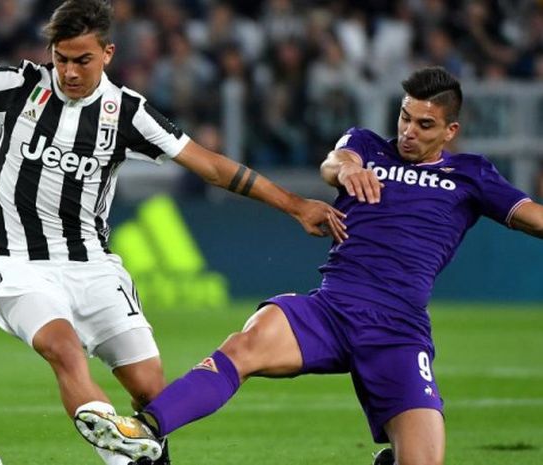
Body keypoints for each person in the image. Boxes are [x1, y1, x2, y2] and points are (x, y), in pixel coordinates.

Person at [0, 1, 346, 465]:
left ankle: (136, 451)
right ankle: (117, 451)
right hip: (19, 266)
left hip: (94, 268)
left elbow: (211, 166)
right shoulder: (17, 84)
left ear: (108, 53)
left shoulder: (128, 112)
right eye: (60, 59)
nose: (69, 71)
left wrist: (295, 204)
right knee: (62, 348)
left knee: (152, 391)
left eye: (82, 60)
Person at [72, 66, 543, 465]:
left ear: (450, 131)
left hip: (398, 331)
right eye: (404, 117)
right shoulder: (368, 147)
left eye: (424, 124)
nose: (408, 131)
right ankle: (145, 432)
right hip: (331, 310)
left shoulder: (471, 175)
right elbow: (335, 160)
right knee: (245, 344)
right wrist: (347, 169)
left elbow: (533, 219)